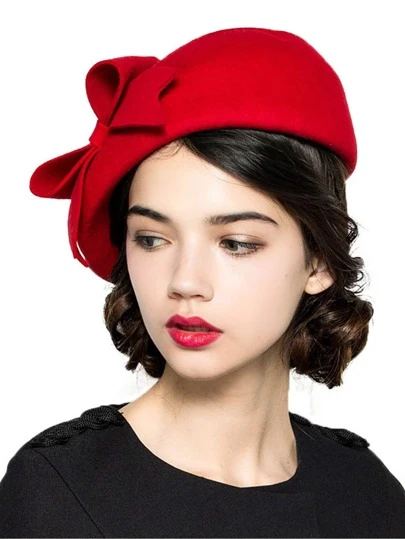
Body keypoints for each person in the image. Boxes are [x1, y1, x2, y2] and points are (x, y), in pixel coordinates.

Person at [0, 26, 404, 538]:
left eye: (236, 243)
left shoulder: (369, 492)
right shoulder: (57, 493)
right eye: (152, 239)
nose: (185, 282)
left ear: (319, 261)